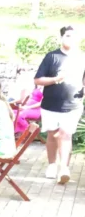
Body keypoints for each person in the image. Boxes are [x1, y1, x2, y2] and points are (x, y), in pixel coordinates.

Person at [34, 25, 85, 184]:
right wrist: (55, 79)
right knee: (52, 134)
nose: (70, 39)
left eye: (73, 36)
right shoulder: (51, 57)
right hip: (50, 104)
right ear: (61, 37)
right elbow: (38, 80)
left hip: (73, 104)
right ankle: (51, 164)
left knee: (65, 134)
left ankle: (64, 168)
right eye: (67, 35)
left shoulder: (82, 57)